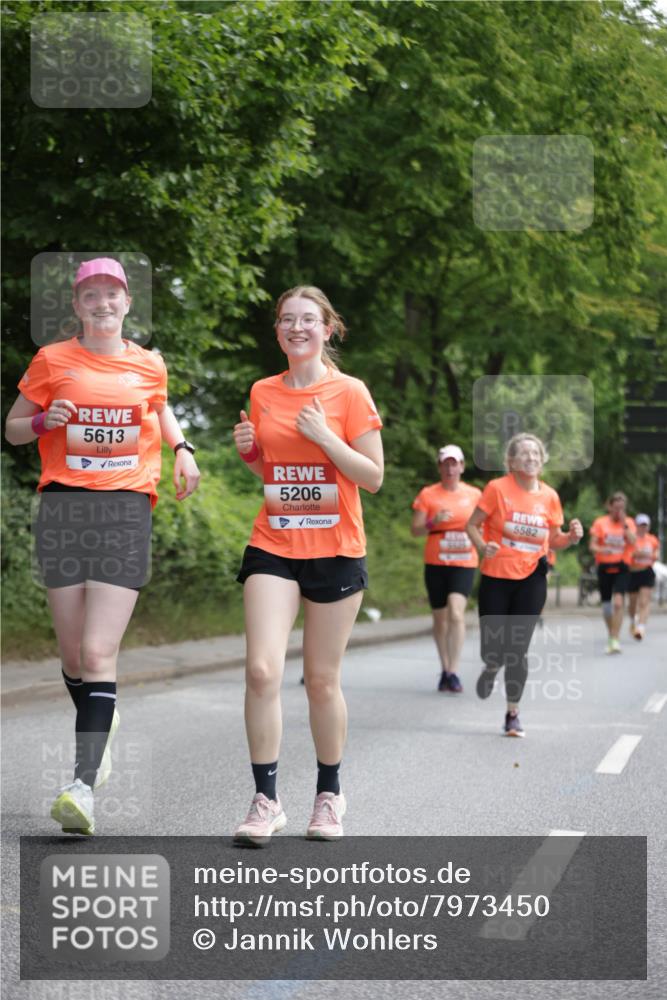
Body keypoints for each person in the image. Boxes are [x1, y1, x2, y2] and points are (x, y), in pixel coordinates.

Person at [4, 258, 200, 835]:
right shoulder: (52, 360)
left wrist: (183, 449)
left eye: (111, 294)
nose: (103, 303)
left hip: (124, 509)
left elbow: (159, 407)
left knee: (96, 655)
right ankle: (102, 718)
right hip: (64, 507)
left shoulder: (148, 364)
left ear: (126, 303)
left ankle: (82, 787)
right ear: (77, 306)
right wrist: (45, 422)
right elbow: (13, 426)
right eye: (91, 295)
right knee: (70, 658)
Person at [232, 285, 383, 845]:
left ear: (328, 329)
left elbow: (372, 476)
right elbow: (271, 476)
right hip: (275, 542)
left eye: (308, 320)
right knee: (262, 670)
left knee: (321, 680)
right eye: (287, 320)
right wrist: (250, 453)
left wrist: (324, 436)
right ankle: (266, 799)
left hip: (337, 548)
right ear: (278, 332)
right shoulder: (263, 391)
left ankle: (329, 794)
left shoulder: (349, 393)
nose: (297, 328)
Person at [466, 433, 583, 737]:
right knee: (494, 647)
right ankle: (491, 666)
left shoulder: (550, 497)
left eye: (536, 453)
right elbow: (471, 524)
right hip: (496, 576)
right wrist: (482, 545)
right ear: (512, 461)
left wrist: (570, 538)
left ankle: (512, 714)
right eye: (524, 453)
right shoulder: (496, 489)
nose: (531, 457)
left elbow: (553, 539)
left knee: (518, 649)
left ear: (542, 461)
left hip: (532, 577)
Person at [411, 445, 481, 693]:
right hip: (436, 563)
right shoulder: (428, 494)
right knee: (440, 619)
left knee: (456, 613)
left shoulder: (474, 495)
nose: (450, 468)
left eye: (455, 463)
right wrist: (433, 521)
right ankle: (444, 668)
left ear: (462, 466)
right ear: (440, 467)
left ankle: (454, 670)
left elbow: (484, 523)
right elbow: (416, 529)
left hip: (464, 561)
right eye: (446, 463)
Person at [589, 492, 636, 654]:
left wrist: (624, 525)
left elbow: (634, 541)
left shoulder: (629, 522)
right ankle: (612, 633)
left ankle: (615, 639)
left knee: (618, 603)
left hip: (622, 567)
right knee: (607, 607)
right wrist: (603, 549)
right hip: (604, 566)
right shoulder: (600, 523)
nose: (618, 512)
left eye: (622, 509)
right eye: (616, 508)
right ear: (609, 507)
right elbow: (592, 546)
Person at [627, 513, 659, 640]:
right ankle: (632, 621)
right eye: (641, 525)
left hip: (646, 571)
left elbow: (655, 555)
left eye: (645, 525)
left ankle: (641, 628)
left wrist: (641, 554)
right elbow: (631, 554)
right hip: (633, 572)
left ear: (648, 527)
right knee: (633, 602)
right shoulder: (632, 539)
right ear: (636, 526)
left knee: (644, 601)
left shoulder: (652, 540)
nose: (643, 528)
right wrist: (642, 554)